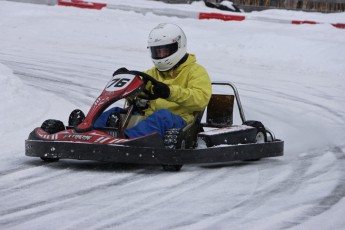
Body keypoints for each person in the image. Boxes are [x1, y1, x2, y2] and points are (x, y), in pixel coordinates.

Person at [95, 23, 212, 139]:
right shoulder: (151, 73)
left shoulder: (196, 71)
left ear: (178, 46)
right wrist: (127, 81)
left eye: (165, 51)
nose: (161, 56)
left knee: (162, 116)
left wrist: (169, 92)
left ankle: (127, 140)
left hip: (180, 121)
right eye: (157, 52)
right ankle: (90, 133)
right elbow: (135, 95)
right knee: (114, 112)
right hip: (149, 118)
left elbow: (200, 98)